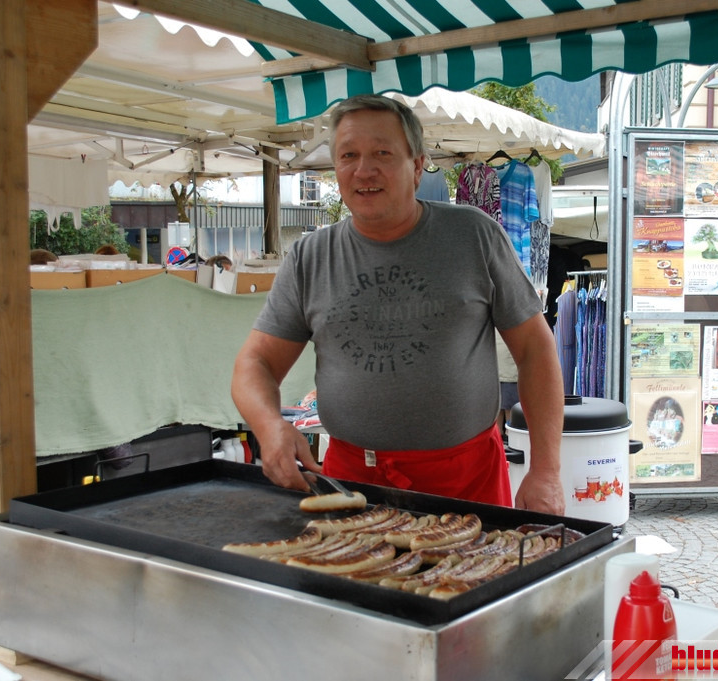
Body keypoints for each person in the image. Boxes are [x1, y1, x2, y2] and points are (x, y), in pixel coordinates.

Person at [231, 94, 565, 514]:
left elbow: (535, 349)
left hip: (466, 483)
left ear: (417, 166)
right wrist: (269, 426)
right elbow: (255, 363)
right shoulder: (310, 257)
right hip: (351, 485)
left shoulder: (474, 236)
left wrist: (546, 470)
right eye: (348, 155)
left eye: (382, 153)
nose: (363, 170)